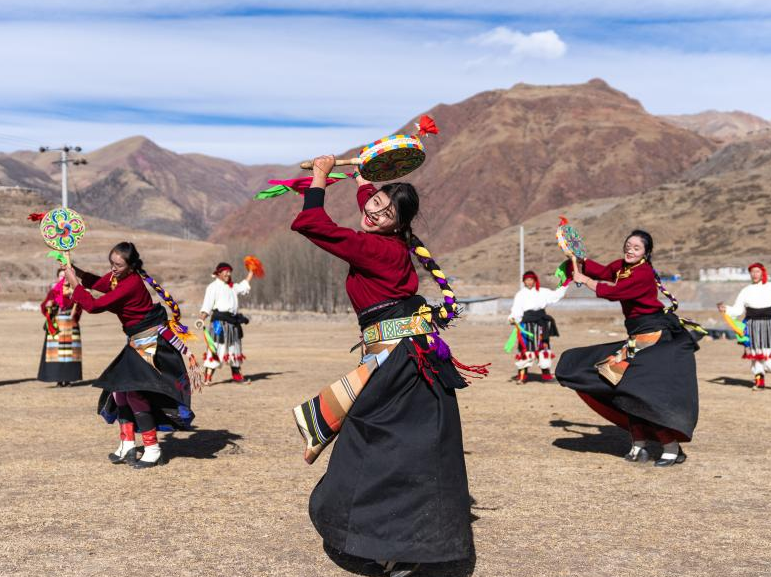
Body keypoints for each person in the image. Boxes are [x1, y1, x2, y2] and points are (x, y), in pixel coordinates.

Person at [290, 155, 485, 577]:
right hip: (403, 357)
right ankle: (395, 540)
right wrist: (363, 180)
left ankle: (402, 547)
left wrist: (321, 179)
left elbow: (310, 224)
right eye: (374, 203)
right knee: (388, 448)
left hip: (400, 363)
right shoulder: (387, 236)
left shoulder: (377, 249)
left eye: (385, 211)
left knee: (382, 448)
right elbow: (370, 201)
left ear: (399, 224)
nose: (373, 211)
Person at [555, 230, 700, 467]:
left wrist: (587, 281)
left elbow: (614, 292)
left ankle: (671, 447)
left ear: (646, 253)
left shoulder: (642, 273)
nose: (630, 250)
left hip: (653, 337)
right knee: (619, 385)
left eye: (636, 248)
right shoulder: (623, 266)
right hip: (636, 336)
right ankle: (638, 445)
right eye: (628, 245)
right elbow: (602, 272)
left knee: (640, 391)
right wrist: (578, 260)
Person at [65, 242, 197, 468]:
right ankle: (127, 444)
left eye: (118, 265)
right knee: (120, 391)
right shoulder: (118, 277)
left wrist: (74, 283)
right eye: (111, 264)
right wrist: (74, 269)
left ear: (131, 265)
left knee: (135, 392)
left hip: (150, 341)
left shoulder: (132, 283)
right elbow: (98, 283)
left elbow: (94, 306)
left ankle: (153, 449)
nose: (113, 268)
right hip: (136, 340)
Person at [195, 262, 253, 384]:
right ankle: (207, 377)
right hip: (218, 323)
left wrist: (251, 272)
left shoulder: (232, 287)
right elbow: (207, 305)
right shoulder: (213, 287)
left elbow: (244, 286)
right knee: (215, 347)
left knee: (234, 348)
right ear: (219, 273)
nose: (228, 274)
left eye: (230, 271)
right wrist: (201, 318)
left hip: (233, 323)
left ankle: (237, 376)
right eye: (226, 271)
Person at [718, 263, 771, 391]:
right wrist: (726, 309)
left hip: (769, 325)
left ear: (763, 273)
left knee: (768, 354)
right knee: (755, 355)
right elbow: (737, 310)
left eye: (757, 271)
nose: (754, 274)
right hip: (752, 326)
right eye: (752, 272)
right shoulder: (745, 291)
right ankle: (759, 382)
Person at [507, 270, 567, 383]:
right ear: (524, 281)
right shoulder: (520, 294)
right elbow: (516, 309)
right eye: (527, 280)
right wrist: (513, 317)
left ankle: (546, 376)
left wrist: (565, 283)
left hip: (541, 324)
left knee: (543, 348)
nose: (529, 282)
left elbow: (556, 295)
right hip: (526, 325)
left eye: (531, 279)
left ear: (535, 280)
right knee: (526, 349)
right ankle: (522, 375)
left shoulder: (543, 292)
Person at [37, 269, 83, 387]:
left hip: (70, 325)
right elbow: (44, 306)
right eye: (61, 276)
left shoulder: (74, 292)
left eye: (66, 276)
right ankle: (58, 379)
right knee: (56, 354)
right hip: (56, 325)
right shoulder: (53, 292)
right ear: (57, 277)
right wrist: (49, 306)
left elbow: (79, 307)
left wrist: (75, 313)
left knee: (69, 354)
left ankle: (68, 379)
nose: (63, 278)